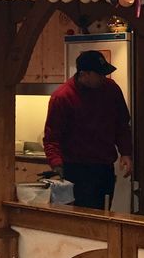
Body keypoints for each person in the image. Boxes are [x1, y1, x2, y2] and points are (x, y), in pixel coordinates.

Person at [43, 50, 133, 210]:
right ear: (84, 74)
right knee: (81, 217)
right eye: (99, 74)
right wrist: (57, 164)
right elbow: (52, 137)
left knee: (104, 211)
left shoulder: (111, 89)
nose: (103, 78)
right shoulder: (63, 97)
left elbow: (122, 124)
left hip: (104, 166)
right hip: (76, 168)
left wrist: (125, 152)